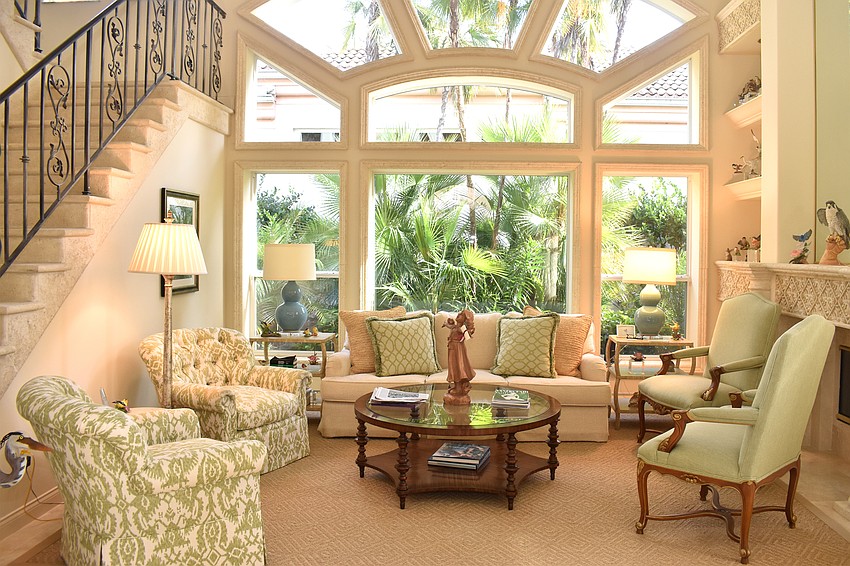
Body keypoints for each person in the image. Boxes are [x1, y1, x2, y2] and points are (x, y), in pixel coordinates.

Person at [443, 309, 476, 405]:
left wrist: (447, 324)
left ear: (465, 320)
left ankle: (458, 388)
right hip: (453, 348)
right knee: (453, 367)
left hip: (457, 349)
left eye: (461, 315)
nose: (458, 315)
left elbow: (456, 330)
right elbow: (452, 327)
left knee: (457, 367)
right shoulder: (457, 326)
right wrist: (448, 324)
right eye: (459, 313)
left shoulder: (461, 328)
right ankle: (457, 387)